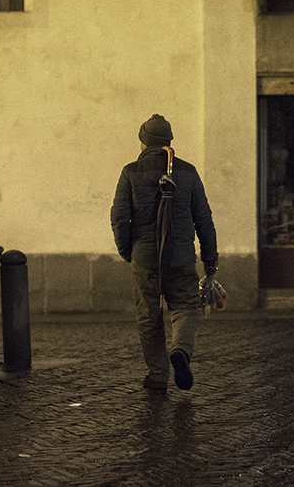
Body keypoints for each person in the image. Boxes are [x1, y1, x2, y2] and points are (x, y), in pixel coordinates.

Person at [111, 114, 218, 393]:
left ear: (143, 141)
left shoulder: (130, 172)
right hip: (181, 256)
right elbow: (204, 219)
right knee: (184, 306)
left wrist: (127, 251)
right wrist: (210, 258)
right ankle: (180, 351)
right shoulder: (189, 172)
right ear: (169, 141)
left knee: (149, 313)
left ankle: (158, 375)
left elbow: (119, 217)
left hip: (144, 256)